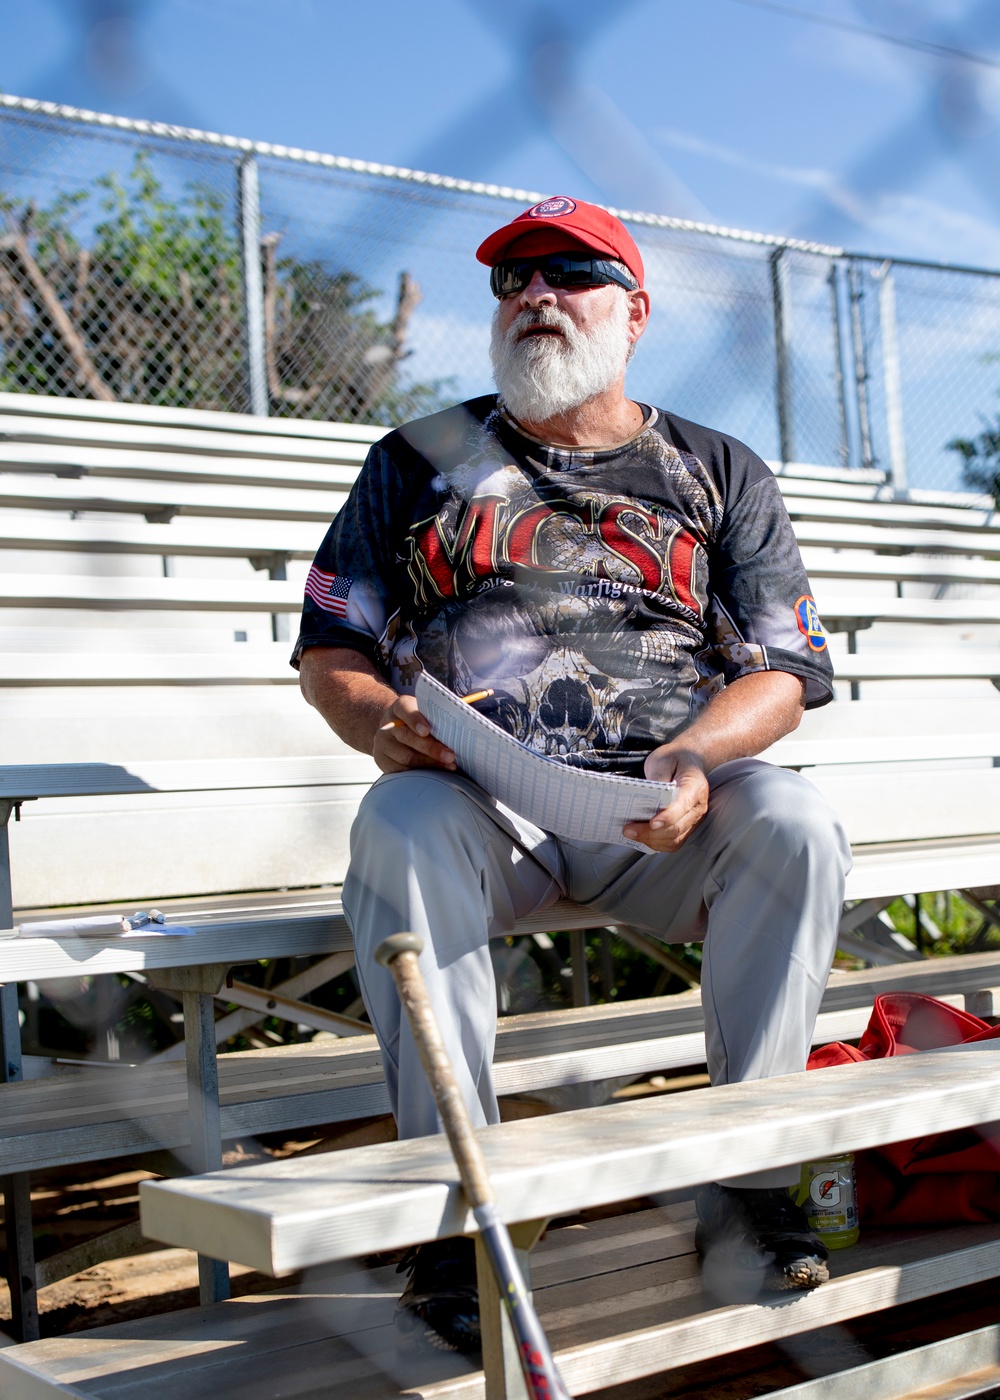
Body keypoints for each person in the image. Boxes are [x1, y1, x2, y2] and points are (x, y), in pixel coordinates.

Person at [293, 195, 852, 1350]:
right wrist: (379, 717)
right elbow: (331, 648)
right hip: (480, 803)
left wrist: (698, 753)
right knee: (395, 819)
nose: (535, 295)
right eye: (511, 279)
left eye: (570, 272)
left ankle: (749, 1180)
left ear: (634, 311)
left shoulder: (716, 468)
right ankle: (459, 1213)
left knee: (794, 819)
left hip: (664, 809)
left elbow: (789, 665)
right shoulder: (414, 460)